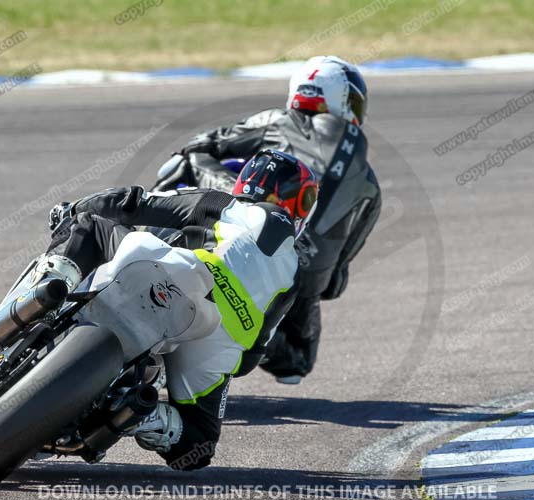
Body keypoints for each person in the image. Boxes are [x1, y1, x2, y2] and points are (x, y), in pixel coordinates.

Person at [44, 149, 318, 470]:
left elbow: (134, 203)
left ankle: (50, 288)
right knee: (199, 445)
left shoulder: (224, 203)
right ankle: (138, 414)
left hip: (184, 275)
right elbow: (252, 355)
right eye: (306, 200)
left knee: (92, 225)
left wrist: (71, 209)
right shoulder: (295, 273)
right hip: (218, 339)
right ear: (290, 202)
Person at [153, 56, 382, 384]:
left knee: (188, 159)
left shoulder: (279, 120)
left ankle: (144, 229)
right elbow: (334, 283)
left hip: (240, 231)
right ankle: (252, 332)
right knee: (296, 365)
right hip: (295, 283)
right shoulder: (371, 187)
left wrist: (216, 176)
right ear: (342, 101)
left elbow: (205, 143)